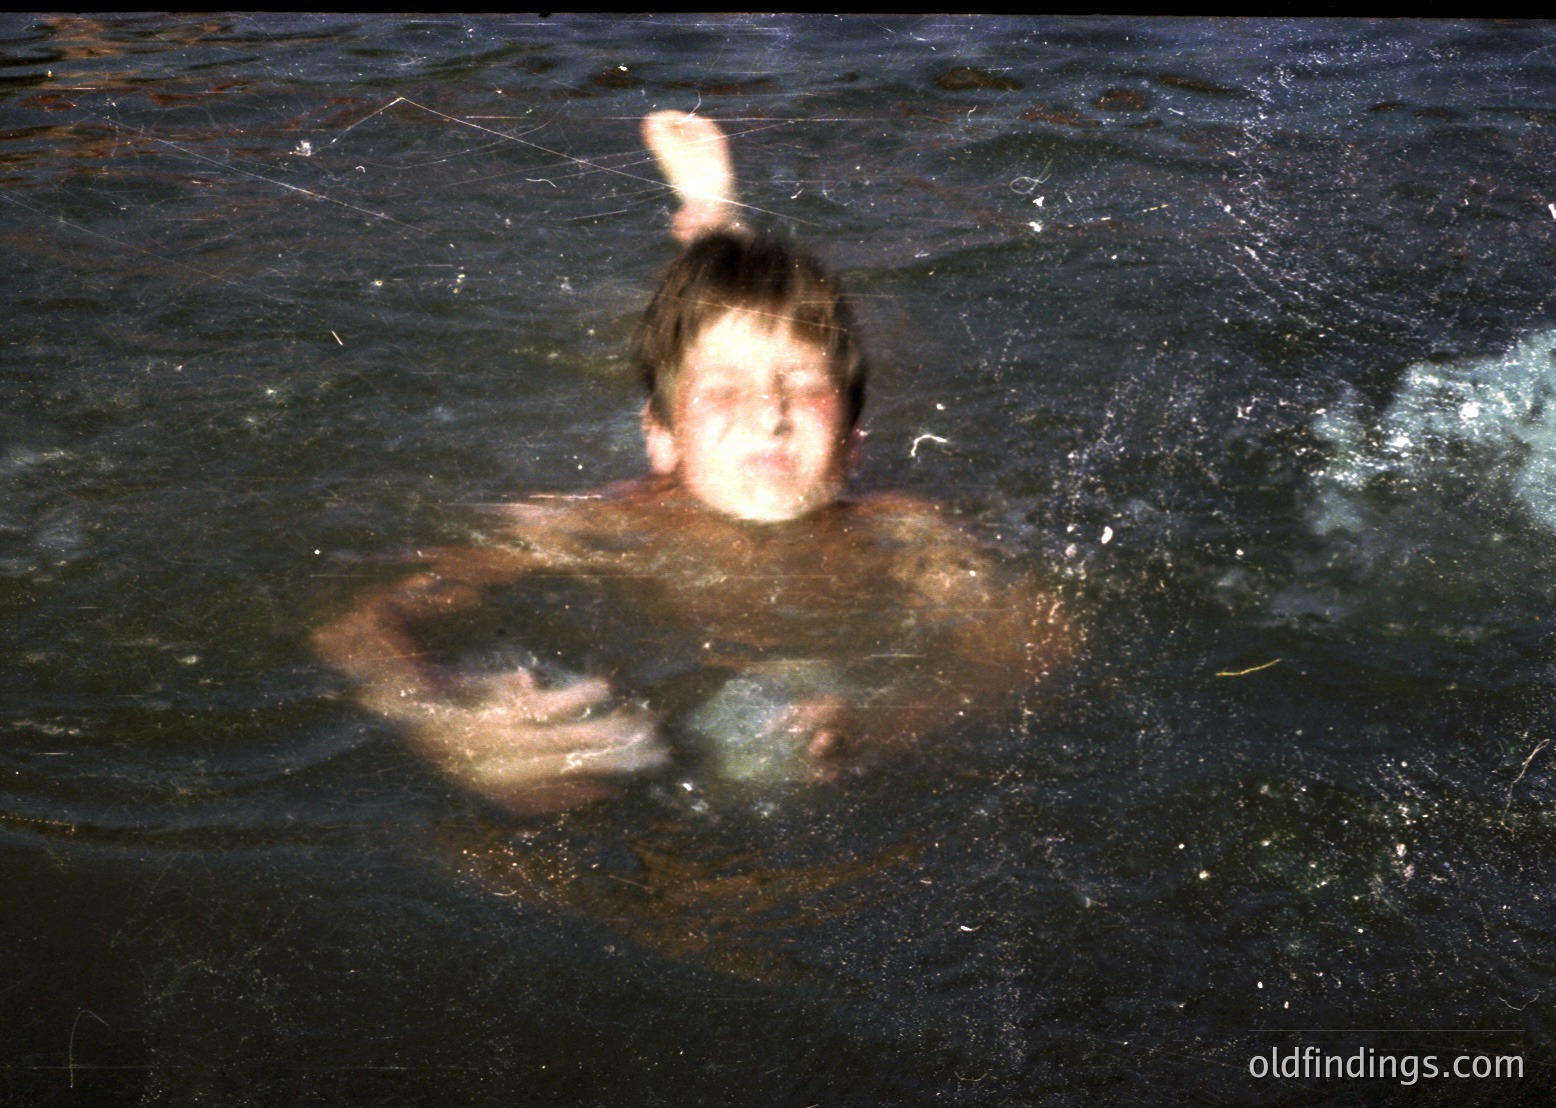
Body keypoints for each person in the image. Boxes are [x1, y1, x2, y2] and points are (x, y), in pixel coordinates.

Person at [314, 112, 1068, 814]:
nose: (769, 414)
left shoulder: (899, 531)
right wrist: (435, 715)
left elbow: (1034, 642)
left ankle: (719, 231)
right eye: (728, 393)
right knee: (694, 327)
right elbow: (357, 627)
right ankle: (713, 226)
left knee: (759, 328)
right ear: (662, 442)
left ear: (854, 443)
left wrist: (890, 721)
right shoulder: (607, 524)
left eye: (803, 387)